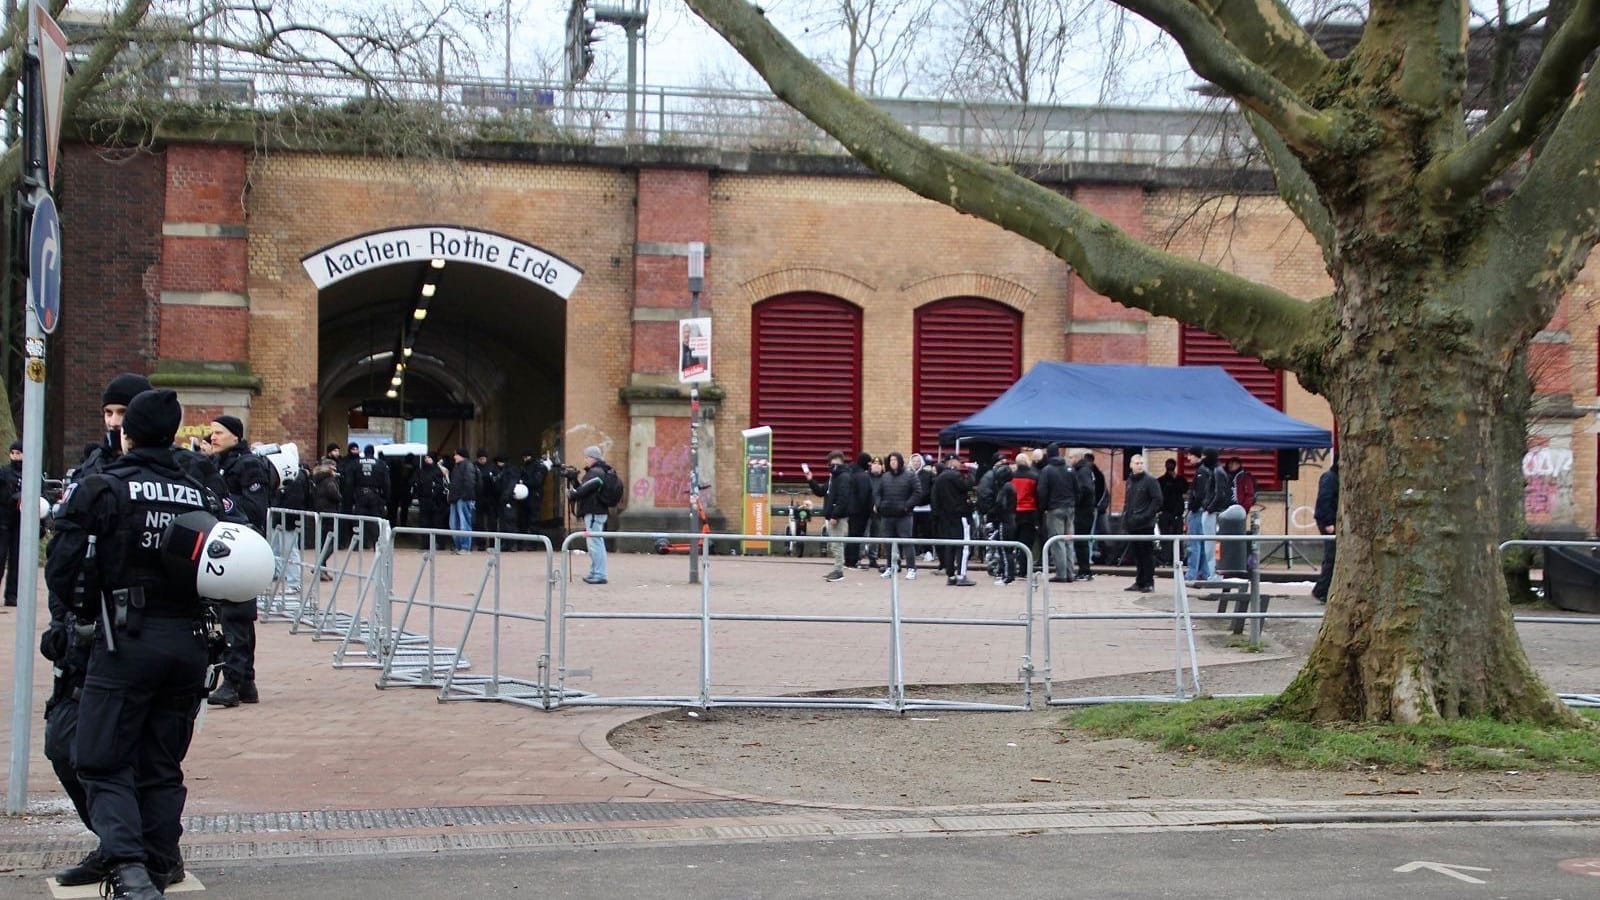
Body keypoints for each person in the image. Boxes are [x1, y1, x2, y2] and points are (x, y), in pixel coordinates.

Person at [46, 389, 218, 899]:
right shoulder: (197, 491)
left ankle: (129, 871)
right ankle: (161, 863)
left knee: (100, 757)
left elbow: (62, 567)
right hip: (187, 643)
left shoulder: (104, 487)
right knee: (161, 763)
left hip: (125, 639)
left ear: (128, 432)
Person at [39, 373, 155, 889]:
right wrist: (64, 624)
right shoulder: (88, 468)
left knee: (124, 754)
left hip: (132, 636)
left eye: (122, 414)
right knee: (66, 745)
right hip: (82, 635)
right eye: (107, 413)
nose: (114, 424)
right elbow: (63, 558)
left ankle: (136, 854)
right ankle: (117, 846)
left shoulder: (156, 475)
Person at [205, 415, 272, 708]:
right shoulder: (218, 463)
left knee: (236, 615)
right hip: (224, 545)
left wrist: (221, 500)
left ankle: (233, 681)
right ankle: (245, 681)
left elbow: (255, 509)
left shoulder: (248, 465)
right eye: (211, 433)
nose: (212, 437)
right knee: (234, 616)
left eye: (219, 432)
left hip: (243, 547)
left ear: (235, 435)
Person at [565, 445, 614, 584]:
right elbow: (585, 488)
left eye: (586, 457)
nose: (585, 460)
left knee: (595, 543)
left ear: (592, 457)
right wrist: (574, 481)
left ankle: (599, 574)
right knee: (594, 542)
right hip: (596, 511)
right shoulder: (600, 470)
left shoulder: (596, 472)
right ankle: (595, 572)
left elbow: (590, 486)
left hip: (594, 511)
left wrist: (574, 493)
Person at [804, 451, 854, 582]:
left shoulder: (843, 477)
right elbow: (821, 491)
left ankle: (839, 571)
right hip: (831, 516)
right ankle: (837, 568)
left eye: (836, 463)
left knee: (837, 544)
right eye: (832, 463)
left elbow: (843, 498)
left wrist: (835, 515)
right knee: (834, 544)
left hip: (837, 517)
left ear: (842, 463)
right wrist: (811, 480)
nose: (834, 466)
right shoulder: (833, 477)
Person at [874, 452, 922, 578]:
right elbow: (878, 493)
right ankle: (890, 566)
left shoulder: (910, 476)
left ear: (900, 461)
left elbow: (917, 493)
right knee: (888, 542)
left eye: (895, 460)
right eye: (891, 460)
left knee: (906, 541)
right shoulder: (885, 477)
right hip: (887, 514)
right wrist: (879, 505)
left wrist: (907, 506)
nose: (893, 462)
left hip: (904, 515)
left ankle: (911, 568)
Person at [1121, 454, 1164, 593]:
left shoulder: (1150, 480)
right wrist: (1126, 517)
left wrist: (1146, 515)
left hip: (1145, 524)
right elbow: (1128, 501)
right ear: (1131, 464)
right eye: (1137, 463)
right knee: (1137, 554)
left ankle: (1148, 582)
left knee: (1146, 554)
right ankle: (1139, 581)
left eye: (1141, 463)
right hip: (1132, 523)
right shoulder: (1130, 481)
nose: (1139, 465)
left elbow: (1157, 500)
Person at [932, 456, 977, 586]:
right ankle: (961, 575)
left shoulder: (939, 478)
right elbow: (969, 487)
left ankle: (951, 575)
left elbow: (934, 499)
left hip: (946, 518)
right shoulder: (957, 477)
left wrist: (938, 516)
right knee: (964, 546)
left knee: (950, 546)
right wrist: (972, 473)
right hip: (961, 516)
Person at [1036, 443, 1077, 584]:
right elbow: (1077, 488)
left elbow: (1042, 491)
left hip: (1054, 509)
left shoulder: (1047, 470)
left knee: (1057, 541)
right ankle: (1070, 572)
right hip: (1070, 508)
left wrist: (1044, 507)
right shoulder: (1069, 469)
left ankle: (1061, 574)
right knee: (1069, 541)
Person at [1184, 448, 1218, 583]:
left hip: (1198, 511)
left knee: (1195, 543)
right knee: (1203, 543)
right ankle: (1204, 572)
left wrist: (1192, 507)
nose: (1188, 458)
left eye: (1190, 455)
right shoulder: (1206, 471)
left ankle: (1192, 573)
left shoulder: (1201, 472)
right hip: (1203, 510)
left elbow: (1199, 494)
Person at [1312, 456, 1339, 603]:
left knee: (1332, 555)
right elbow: (1324, 500)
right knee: (1331, 555)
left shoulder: (1332, 477)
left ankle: (1324, 589)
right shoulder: (1331, 478)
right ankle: (1321, 590)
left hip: (1331, 520)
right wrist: (1328, 522)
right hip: (1329, 521)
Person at [1070, 450, 1098, 580]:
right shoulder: (1085, 470)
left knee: (1081, 542)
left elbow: (1086, 489)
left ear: (1077, 458)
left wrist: (1077, 501)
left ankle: (1085, 570)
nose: (1070, 460)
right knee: (1081, 542)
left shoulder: (1082, 471)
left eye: (1071, 457)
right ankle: (1084, 570)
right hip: (1086, 510)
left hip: (1083, 512)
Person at [1012, 453, 1041, 574]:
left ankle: (1010, 568)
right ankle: (1024, 569)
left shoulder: (1011, 476)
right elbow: (1038, 494)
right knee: (1026, 543)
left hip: (1013, 512)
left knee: (1012, 541)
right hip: (1029, 512)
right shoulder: (1034, 477)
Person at [989, 464, 1018, 584]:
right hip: (1011, 519)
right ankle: (1008, 574)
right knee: (1007, 550)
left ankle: (1007, 576)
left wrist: (993, 514)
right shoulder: (1011, 487)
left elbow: (1001, 505)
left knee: (1005, 550)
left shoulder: (1005, 488)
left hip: (1005, 521)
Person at [0, 439, 20, 606]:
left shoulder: (32, 473)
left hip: (20, 523)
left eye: (18, 453)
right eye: (12, 453)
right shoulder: (4, 472)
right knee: (1, 557)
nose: (15, 457)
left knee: (16, 560)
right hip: (4, 519)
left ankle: (11, 595)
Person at [1157, 458, 1188, 564]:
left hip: (1177, 513)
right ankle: (1165, 558)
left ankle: (1178, 557)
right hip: (1165, 512)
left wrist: (1175, 480)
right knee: (1165, 537)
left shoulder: (1180, 479)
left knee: (1177, 537)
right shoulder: (1161, 480)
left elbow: (1184, 489)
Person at [447, 449, 478, 553]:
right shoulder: (457, 467)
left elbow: (470, 482)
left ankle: (465, 547)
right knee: (453, 524)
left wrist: (465, 496)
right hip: (455, 498)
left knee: (464, 523)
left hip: (463, 499)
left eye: (456, 455)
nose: (454, 457)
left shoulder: (468, 466)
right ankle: (459, 546)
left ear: (462, 456)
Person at [908, 453, 936, 564]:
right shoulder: (908, 474)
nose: (916, 463)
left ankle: (928, 551)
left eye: (918, 461)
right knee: (912, 531)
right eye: (914, 461)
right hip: (912, 508)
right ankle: (915, 552)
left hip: (925, 508)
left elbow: (928, 490)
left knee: (926, 531)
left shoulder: (927, 474)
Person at [847, 452, 874, 570]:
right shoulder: (863, 476)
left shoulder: (851, 473)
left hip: (852, 510)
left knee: (852, 535)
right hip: (860, 512)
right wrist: (868, 510)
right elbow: (864, 495)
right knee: (857, 536)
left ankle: (849, 559)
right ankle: (852, 561)